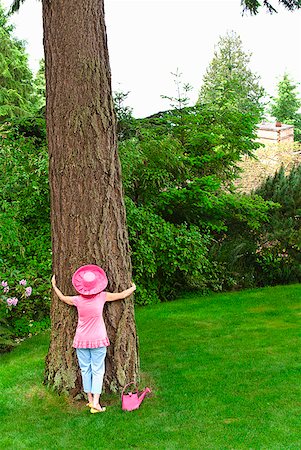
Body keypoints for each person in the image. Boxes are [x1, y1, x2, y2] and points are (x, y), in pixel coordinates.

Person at [51, 264, 136, 414]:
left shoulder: (77, 300)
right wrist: (133, 288)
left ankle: (90, 400)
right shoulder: (102, 296)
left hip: (81, 340)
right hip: (98, 340)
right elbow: (122, 295)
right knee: (97, 370)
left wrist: (54, 286)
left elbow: (63, 298)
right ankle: (96, 403)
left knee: (85, 369)